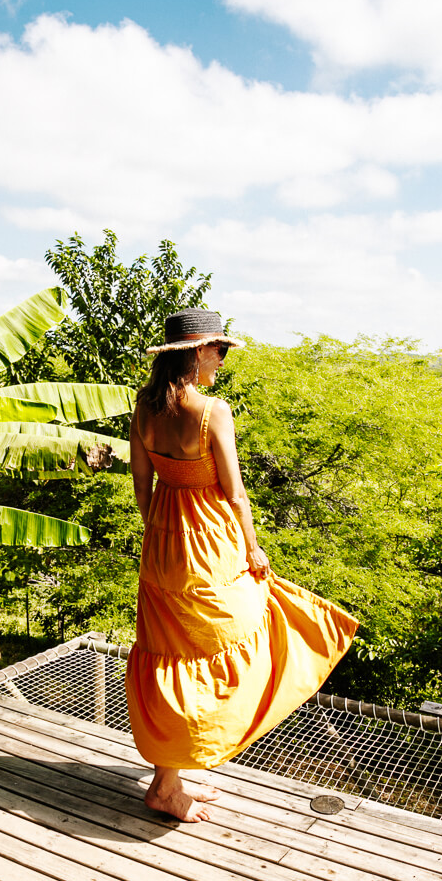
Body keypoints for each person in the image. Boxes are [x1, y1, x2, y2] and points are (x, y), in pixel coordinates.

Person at [125, 308, 358, 823]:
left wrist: (164, 532)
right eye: (220, 351)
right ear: (197, 352)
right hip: (210, 538)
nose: (222, 362)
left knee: (170, 651)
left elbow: (143, 489)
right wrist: (252, 547)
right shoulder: (213, 410)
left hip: (163, 540)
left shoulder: (142, 407)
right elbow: (233, 490)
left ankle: (172, 773)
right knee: (243, 627)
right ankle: (166, 785)